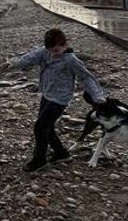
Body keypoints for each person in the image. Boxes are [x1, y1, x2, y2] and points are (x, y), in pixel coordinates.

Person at [8, 27, 107, 172]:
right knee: (47, 126)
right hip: (47, 94)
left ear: (65, 45)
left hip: (60, 99)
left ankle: (39, 160)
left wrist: (97, 96)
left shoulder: (71, 60)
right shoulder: (45, 52)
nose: (53, 54)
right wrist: (15, 63)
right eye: (50, 50)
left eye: (56, 50)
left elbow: (86, 77)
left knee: (40, 127)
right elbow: (30, 57)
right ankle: (61, 153)